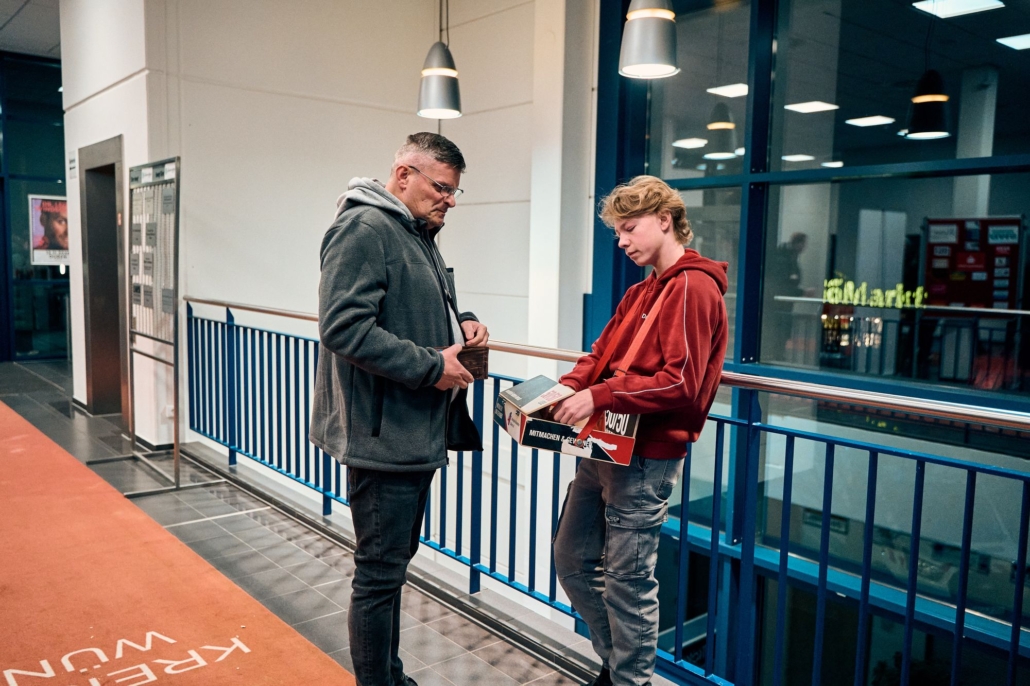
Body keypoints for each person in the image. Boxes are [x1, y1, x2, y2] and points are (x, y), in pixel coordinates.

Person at [309, 132, 488, 686]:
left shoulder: (414, 230)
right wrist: (433, 366)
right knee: (379, 577)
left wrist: (462, 322)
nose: (449, 200)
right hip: (383, 436)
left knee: (389, 570)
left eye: (454, 191)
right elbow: (344, 328)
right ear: (404, 174)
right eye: (442, 187)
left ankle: (388, 675)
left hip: (411, 431)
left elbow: (408, 305)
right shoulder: (365, 228)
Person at [551, 175, 728, 686]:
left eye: (630, 229)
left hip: (647, 456)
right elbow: (600, 355)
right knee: (572, 559)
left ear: (665, 220)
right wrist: (568, 387)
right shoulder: (643, 289)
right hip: (608, 443)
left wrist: (598, 395)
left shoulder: (693, 287)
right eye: (618, 232)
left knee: (628, 583)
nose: (622, 241)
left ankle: (627, 678)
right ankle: (620, 669)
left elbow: (681, 383)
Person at [763, 231, 807, 360]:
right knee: (778, 333)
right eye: (804, 244)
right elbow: (781, 287)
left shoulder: (788, 258)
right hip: (778, 306)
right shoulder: (784, 260)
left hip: (781, 306)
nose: (805, 247)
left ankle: (776, 356)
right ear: (798, 244)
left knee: (780, 334)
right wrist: (801, 292)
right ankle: (775, 357)